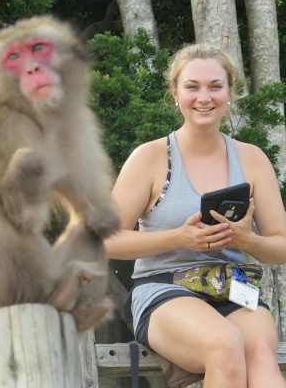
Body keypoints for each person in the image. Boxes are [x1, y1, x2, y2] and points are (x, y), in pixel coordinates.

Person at [105, 43, 286, 387]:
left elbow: (282, 245)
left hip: (234, 286)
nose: (204, 97)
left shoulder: (252, 159)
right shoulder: (149, 157)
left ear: (230, 92)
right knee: (224, 343)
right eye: (192, 87)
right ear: (175, 93)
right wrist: (179, 238)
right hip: (164, 288)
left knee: (262, 357)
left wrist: (249, 241)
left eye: (215, 86)